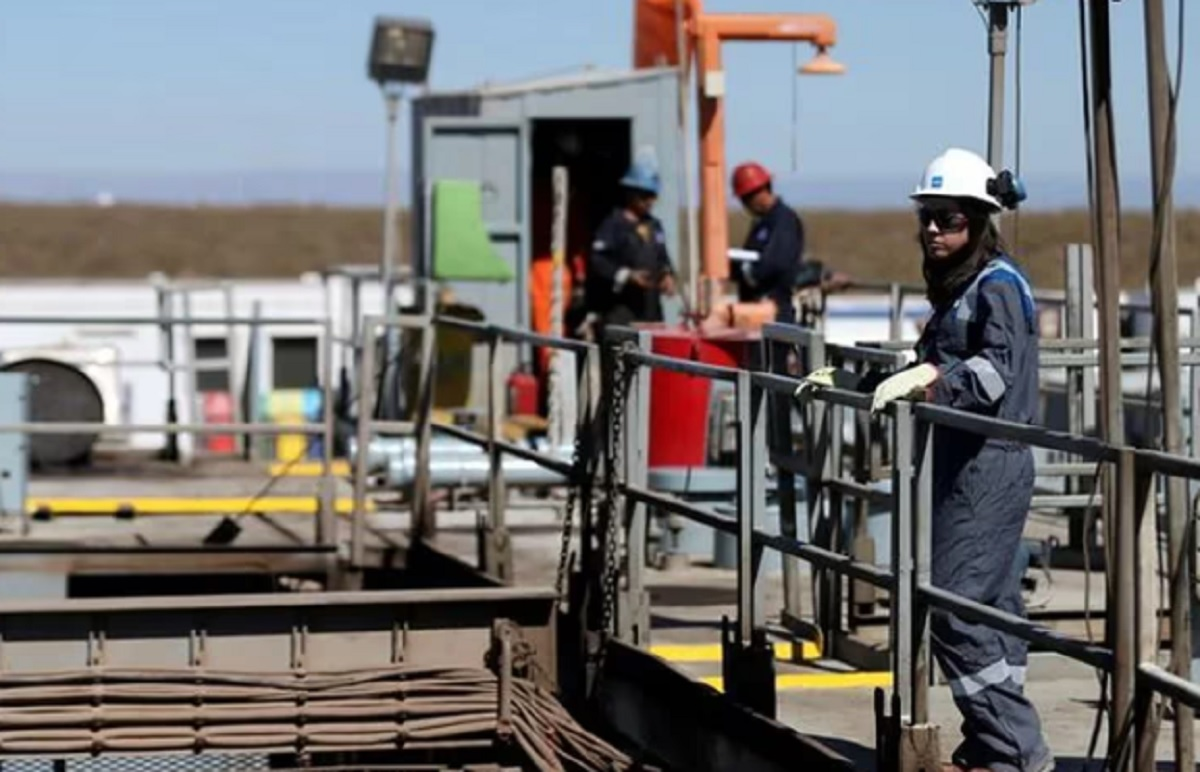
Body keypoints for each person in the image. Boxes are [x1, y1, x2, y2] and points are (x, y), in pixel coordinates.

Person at [798, 148, 1052, 772]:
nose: (934, 229)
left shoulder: (998, 287)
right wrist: (860, 381)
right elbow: (934, 363)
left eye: (949, 219)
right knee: (990, 609)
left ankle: (1019, 752)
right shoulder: (960, 288)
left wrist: (931, 387)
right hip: (959, 458)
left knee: (956, 610)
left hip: (988, 461)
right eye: (927, 218)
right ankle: (994, 745)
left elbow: (994, 372)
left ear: (979, 222)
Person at [729, 161, 851, 324]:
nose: (745, 204)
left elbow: (775, 264)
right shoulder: (762, 224)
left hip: (776, 315)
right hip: (756, 314)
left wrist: (746, 271)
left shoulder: (784, 221)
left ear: (762, 190)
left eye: (746, 198)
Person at [581, 160, 676, 337]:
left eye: (653, 195)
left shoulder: (655, 226)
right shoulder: (613, 225)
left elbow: (663, 257)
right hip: (621, 313)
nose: (650, 201)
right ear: (632, 193)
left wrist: (667, 275)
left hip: (651, 313)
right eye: (645, 195)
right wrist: (628, 276)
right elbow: (598, 261)